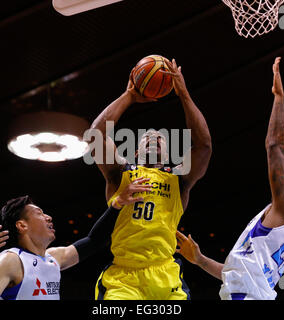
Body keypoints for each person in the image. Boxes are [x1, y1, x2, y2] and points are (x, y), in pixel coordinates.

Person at [175, 57, 284, 300]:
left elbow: (274, 146)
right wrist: (200, 260)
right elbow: (233, 273)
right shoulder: (279, 231)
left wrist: (279, 98)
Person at [89, 58, 212, 300]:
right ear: (135, 152)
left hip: (165, 273)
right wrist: (129, 96)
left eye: (160, 139)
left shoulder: (179, 179)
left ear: (168, 155)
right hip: (124, 277)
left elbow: (204, 145)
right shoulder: (120, 173)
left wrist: (184, 95)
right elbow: (96, 135)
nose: (154, 138)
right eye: (147, 138)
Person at [0, 178, 151, 300]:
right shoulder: (11, 259)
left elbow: (94, 241)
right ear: (22, 226)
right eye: (39, 213)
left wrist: (117, 205)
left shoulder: (53, 257)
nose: (48, 217)